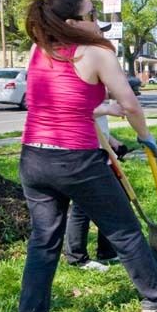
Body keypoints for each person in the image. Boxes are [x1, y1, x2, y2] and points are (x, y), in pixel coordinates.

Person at [13, 0, 157, 312]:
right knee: (123, 229)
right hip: (76, 161)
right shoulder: (96, 53)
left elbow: (52, 104)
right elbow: (131, 104)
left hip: (34, 158)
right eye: (92, 15)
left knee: (43, 242)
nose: (98, 22)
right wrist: (146, 138)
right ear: (71, 22)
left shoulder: (39, 51)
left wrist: (97, 110)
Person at [63, 104, 128, 272]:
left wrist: (112, 141)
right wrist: (108, 109)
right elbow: (78, 109)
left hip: (99, 151)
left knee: (111, 202)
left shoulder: (95, 88)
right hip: (83, 153)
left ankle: (107, 251)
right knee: (82, 207)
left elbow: (95, 121)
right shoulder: (81, 83)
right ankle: (77, 257)